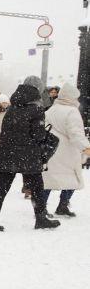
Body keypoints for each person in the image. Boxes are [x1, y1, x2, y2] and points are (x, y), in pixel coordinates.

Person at [0, 78, 60, 232]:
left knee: (1, 188)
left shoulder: (11, 108)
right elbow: (39, 135)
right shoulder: (37, 110)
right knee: (37, 187)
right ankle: (40, 219)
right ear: (37, 90)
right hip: (29, 155)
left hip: (8, 154)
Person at [42, 84, 90, 217]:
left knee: (48, 180)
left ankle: (41, 208)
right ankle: (63, 205)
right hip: (67, 151)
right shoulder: (72, 111)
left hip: (51, 149)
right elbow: (76, 134)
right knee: (72, 178)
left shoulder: (51, 109)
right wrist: (86, 148)